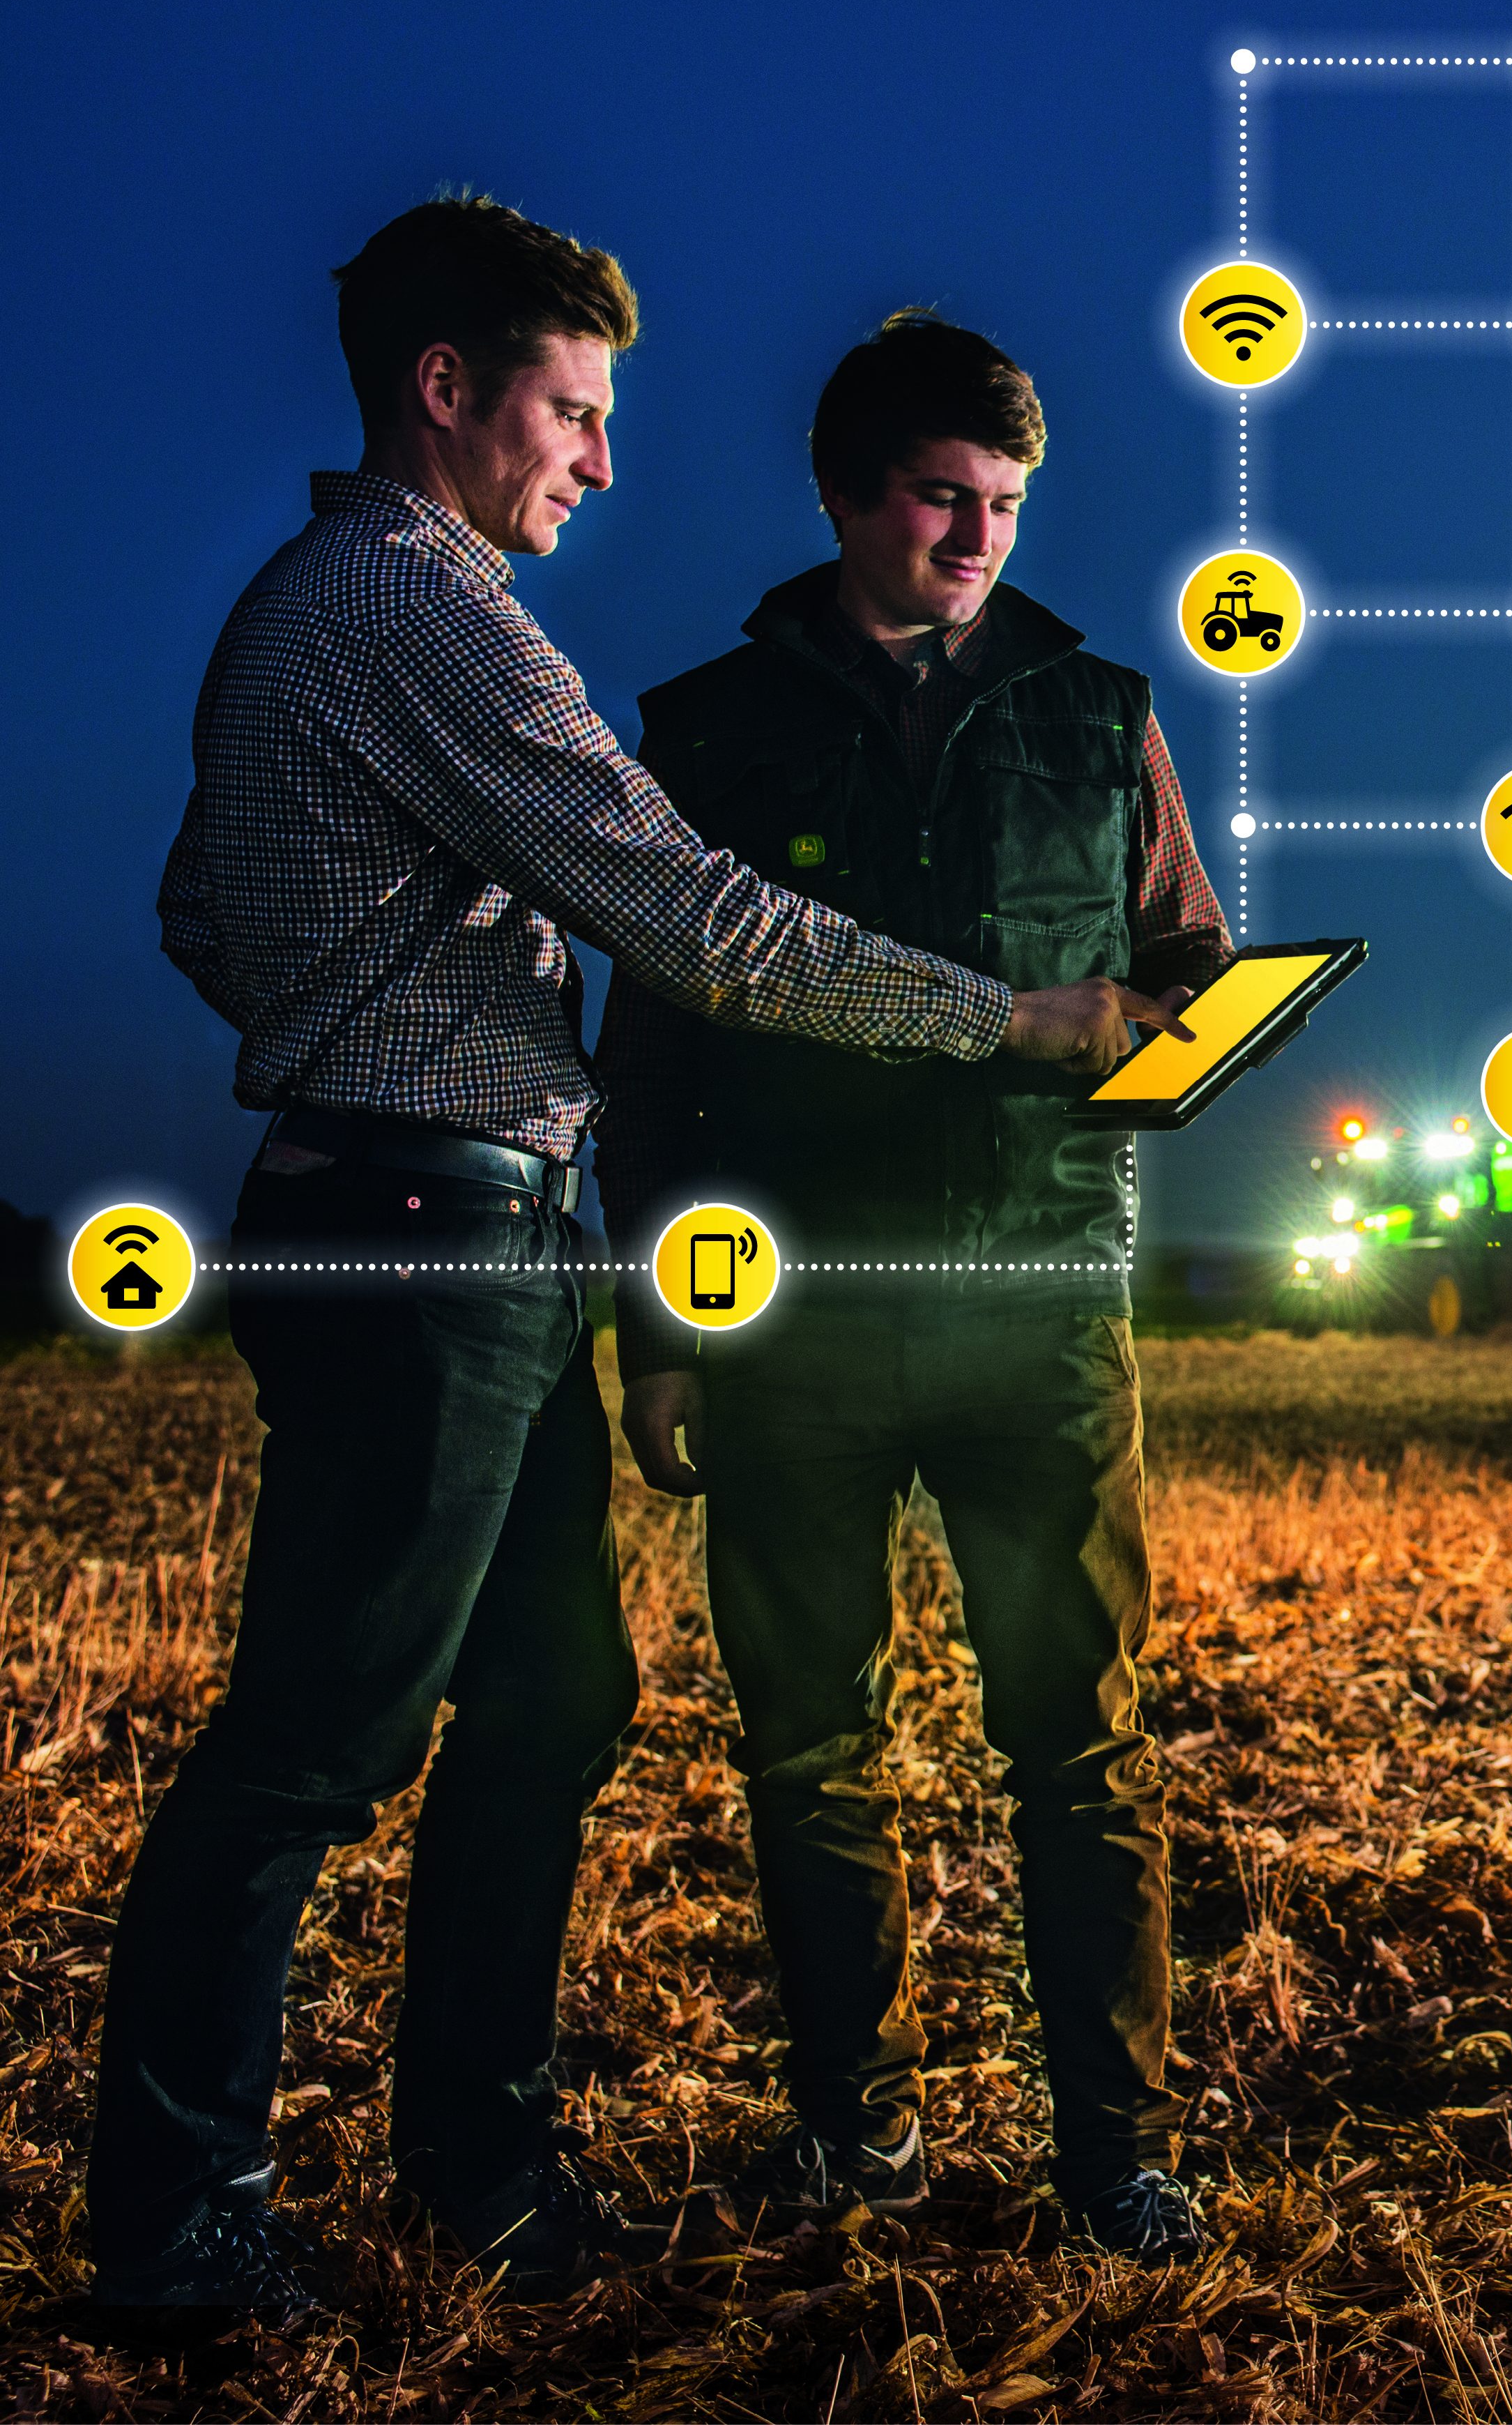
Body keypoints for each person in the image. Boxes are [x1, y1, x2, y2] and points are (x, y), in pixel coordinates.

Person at [96, 202, 1173, 2327]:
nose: (599, 460)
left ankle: (476, 2158)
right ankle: (180, 2218)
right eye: (575, 412)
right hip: (422, 1222)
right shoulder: (422, 608)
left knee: (556, 1690)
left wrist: (381, 975)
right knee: (313, 1738)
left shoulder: (334, 609)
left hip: (463, 1208)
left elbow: (195, 905)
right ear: (447, 390)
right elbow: (704, 929)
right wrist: (1004, 1017)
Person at [597, 310, 1231, 2265]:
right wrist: (663, 1322)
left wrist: (1186, 1031)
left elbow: (1182, 964)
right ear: (845, 496)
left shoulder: (1096, 705)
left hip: (1041, 1300)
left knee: (1081, 1739)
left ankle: (1110, 2149)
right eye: (944, 500)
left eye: (1008, 506)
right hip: (797, 1316)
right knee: (810, 1745)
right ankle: (852, 2130)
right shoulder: (703, 725)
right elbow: (656, 1060)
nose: (977, 538)